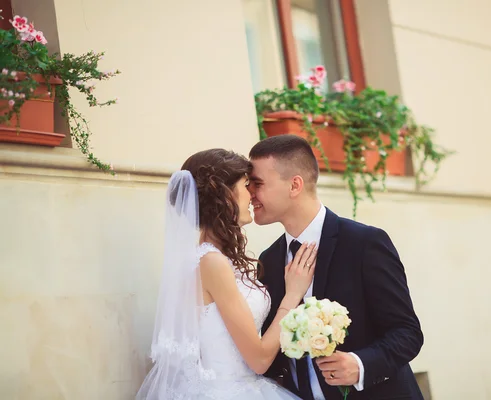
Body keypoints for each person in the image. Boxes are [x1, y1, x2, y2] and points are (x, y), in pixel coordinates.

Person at [248, 135, 425, 399]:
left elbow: (407, 332)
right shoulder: (269, 259)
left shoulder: (364, 243)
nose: (249, 193)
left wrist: (361, 364)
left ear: (294, 185)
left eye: (257, 184)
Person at [136, 148, 316, 400]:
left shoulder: (218, 259)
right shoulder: (212, 263)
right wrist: (292, 296)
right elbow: (260, 359)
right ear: (225, 195)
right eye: (246, 185)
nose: (252, 194)